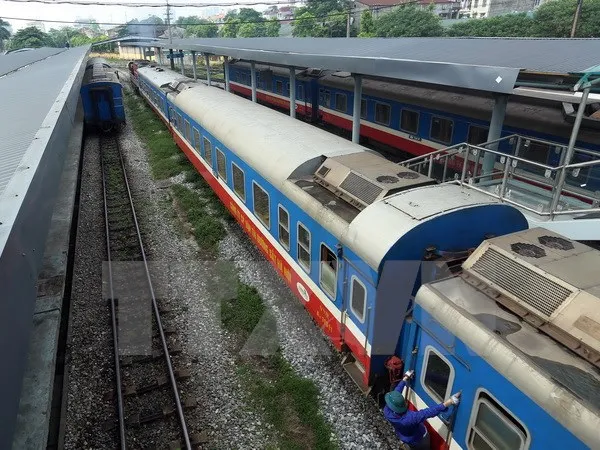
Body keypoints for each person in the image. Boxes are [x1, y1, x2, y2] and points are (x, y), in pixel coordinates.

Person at [384, 370, 460, 450]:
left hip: (403, 437)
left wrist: (405, 379)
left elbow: (396, 393)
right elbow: (428, 412)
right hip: (419, 439)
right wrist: (448, 402)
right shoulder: (409, 418)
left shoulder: (387, 411)